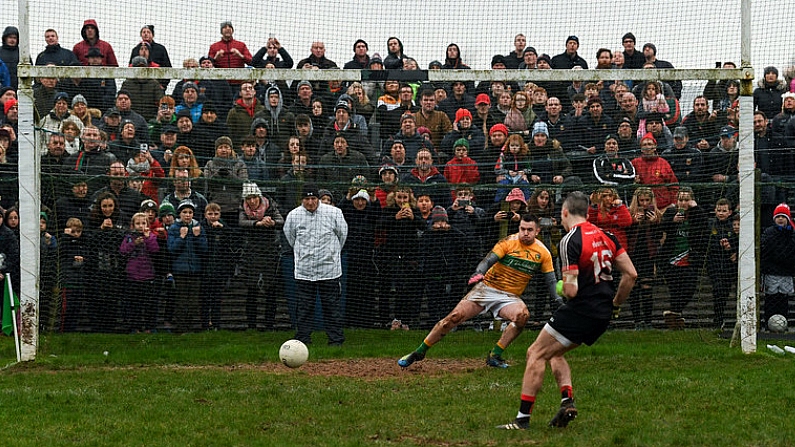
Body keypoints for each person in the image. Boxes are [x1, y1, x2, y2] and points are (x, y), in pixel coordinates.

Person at [497, 191, 637, 430]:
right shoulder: (608, 235)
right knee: (555, 352)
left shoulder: (569, 240)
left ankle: (522, 420)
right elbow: (631, 275)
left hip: (580, 309)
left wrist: (561, 287)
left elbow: (571, 291)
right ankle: (567, 402)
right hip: (602, 314)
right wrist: (615, 306)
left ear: (564, 212)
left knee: (535, 353)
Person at [398, 213, 559, 369]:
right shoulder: (508, 242)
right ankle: (419, 352)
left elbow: (551, 280)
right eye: (522, 229)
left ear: (537, 231)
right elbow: (488, 260)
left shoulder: (543, 252)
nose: (525, 233)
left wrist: (557, 300)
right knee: (452, 318)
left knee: (522, 316)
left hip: (510, 297)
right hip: (487, 288)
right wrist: (478, 272)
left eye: (529, 230)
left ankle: (494, 356)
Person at [283, 184, 347, 345]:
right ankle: (303, 339)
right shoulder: (293, 215)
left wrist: (331, 254)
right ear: (301, 200)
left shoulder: (334, 213)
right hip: (304, 271)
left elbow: (342, 235)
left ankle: (336, 340)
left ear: (318, 198)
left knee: (332, 307)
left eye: (313, 199)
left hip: (329, 270)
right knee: (304, 308)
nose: (310, 202)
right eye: (307, 199)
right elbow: (290, 237)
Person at [658, 187, 708, 329]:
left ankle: (673, 313)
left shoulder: (696, 213)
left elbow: (704, 224)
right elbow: (662, 227)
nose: (683, 203)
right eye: (681, 199)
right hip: (671, 259)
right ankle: (676, 319)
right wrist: (673, 221)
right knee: (675, 290)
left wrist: (696, 208)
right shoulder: (671, 212)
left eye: (686, 200)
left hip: (689, 259)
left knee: (690, 288)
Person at [238, 183, 283, 330]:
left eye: (254, 197)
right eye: (248, 198)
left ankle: (269, 324)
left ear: (259, 196)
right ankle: (252, 325)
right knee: (252, 290)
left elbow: (281, 221)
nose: (251, 201)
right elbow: (242, 222)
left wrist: (271, 222)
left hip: (270, 251)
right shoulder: (243, 208)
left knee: (271, 290)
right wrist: (258, 223)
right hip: (251, 252)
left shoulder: (270, 205)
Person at [167, 199, 208, 332]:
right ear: (180, 214)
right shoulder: (174, 228)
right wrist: (181, 237)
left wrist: (196, 237)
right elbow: (172, 249)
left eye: (190, 212)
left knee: (193, 300)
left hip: (195, 270)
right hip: (180, 270)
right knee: (181, 299)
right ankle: (181, 327)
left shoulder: (198, 228)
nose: (187, 215)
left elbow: (204, 249)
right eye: (185, 212)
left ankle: (190, 326)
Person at [626, 187, 662, 330]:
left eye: (647, 200)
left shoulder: (656, 215)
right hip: (633, 255)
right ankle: (637, 321)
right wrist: (633, 222)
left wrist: (655, 224)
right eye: (642, 200)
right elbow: (626, 234)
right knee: (634, 288)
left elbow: (658, 237)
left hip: (648, 255)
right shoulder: (629, 214)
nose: (645, 203)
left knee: (647, 288)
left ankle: (648, 321)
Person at [119, 212, 159, 333]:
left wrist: (147, 238)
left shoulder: (151, 236)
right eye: (138, 223)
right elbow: (123, 251)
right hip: (133, 276)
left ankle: (149, 327)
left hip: (148, 275)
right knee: (134, 304)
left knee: (149, 305)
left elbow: (155, 249)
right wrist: (133, 244)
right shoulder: (129, 237)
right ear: (133, 225)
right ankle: (134, 327)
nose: (141, 226)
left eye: (143, 223)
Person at [760, 203, 795, 330]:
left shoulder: (792, 234)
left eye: (783, 216)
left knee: (783, 300)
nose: (781, 219)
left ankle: (782, 325)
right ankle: (768, 325)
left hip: (786, 273)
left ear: (788, 218)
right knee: (771, 299)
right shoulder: (769, 233)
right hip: (771, 273)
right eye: (778, 216)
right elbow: (766, 252)